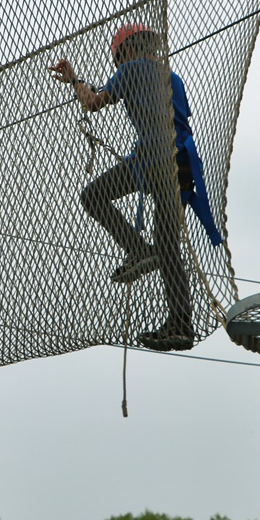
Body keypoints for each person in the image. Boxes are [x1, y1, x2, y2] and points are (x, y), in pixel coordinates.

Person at [49, 23, 220, 351]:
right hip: (182, 161)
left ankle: (138, 249)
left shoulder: (130, 69)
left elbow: (93, 102)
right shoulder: (173, 77)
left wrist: (73, 79)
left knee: (93, 195)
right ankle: (182, 324)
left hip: (154, 155)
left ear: (124, 51)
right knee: (169, 245)